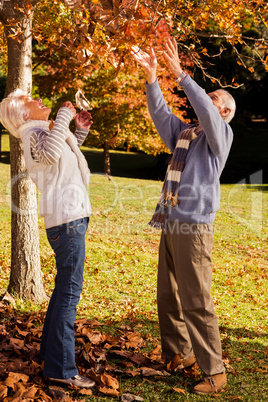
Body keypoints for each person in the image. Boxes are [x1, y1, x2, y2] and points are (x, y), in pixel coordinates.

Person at [132, 38, 236, 395]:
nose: (207, 101)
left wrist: (181, 75)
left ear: (223, 113)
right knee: (169, 295)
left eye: (214, 99)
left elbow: (205, 109)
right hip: (171, 221)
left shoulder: (219, 136)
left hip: (194, 228)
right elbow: (161, 114)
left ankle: (215, 371)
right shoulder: (186, 135)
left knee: (195, 300)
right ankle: (180, 355)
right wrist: (151, 79)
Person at [0, 90, 96, 389]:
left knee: (63, 291)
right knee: (69, 294)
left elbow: (61, 162)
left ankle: (50, 354)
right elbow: (49, 155)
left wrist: (77, 131)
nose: (41, 101)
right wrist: (65, 117)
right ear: (25, 115)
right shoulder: (33, 136)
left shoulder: (41, 133)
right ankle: (61, 369)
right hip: (67, 222)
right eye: (33, 102)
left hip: (70, 219)